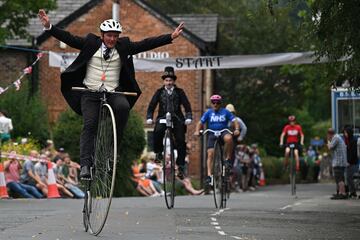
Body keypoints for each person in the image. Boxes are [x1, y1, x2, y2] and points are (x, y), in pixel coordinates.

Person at [38, 9, 185, 179]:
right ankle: (86, 165)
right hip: (90, 92)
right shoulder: (90, 43)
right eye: (109, 35)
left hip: (113, 92)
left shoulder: (124, 46)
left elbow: (145, 43)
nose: (112, 39)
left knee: (123, 107)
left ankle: (111, 149)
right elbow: (69, 38)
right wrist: (49, 26)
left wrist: (170, 37)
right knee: (90, 125)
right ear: (102, 35)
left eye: (115, 36)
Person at [146, 66, 192, 179]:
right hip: (162, 116)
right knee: (157, 131)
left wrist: (188, 117)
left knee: (181, 140)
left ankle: (180, 165)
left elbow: (187, 105)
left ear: (174, 81)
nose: (169, 82)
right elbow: (152, 105)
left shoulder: (179, 92)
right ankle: (158, 153)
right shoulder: (159, 92)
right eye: (166, 80)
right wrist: (149, 116)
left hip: (177, 118)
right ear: (164, 81)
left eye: (171, 80)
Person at [194, 94, 240, 185]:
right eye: (213, 102)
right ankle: (209, 176)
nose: (215, 104)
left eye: (217, 102)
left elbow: (234, 120)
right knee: (210, 153)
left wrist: (237, 129)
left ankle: (227, 159)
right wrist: (197, 131)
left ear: (220, 103)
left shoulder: (225, 112)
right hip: (212, 133)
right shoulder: (208, 113)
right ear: (211, 104)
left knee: (229, 138)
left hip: (223, 132)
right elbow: (200, 122)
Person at [327, 128, 348, 200]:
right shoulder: (338, 137)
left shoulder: (335, 138)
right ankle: (340, 192)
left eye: (328, 135)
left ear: (329, 134)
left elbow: (330, 147)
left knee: (339, 178)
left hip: (339, 162)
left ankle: (342, 193)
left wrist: (328, 141)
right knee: (339, 178)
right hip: (340, 161)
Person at [343, 127, 358, 198]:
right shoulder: (348, 140)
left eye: (346, 132)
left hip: (352, 163)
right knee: (348, 178)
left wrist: (349, 161)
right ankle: (352, 192)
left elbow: (353, 153)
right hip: (349, 162)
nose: (345, 134)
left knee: (349, 177)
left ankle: (353, 192)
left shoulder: (353, 140)